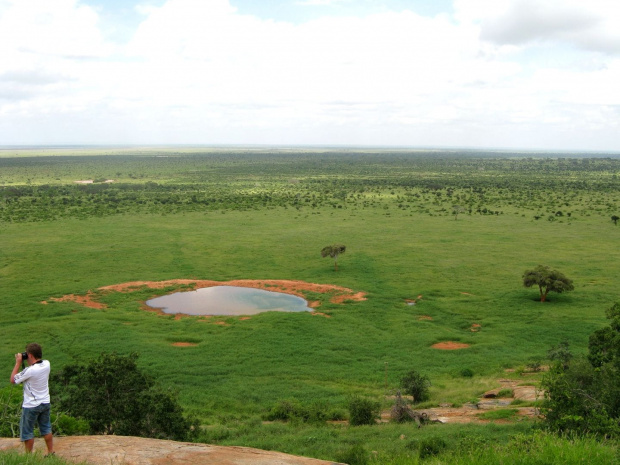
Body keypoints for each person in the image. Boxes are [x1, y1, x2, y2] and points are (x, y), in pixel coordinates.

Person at [10, 343, 54, 456]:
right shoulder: (47, 364)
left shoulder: (30, 370)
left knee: (28, 432)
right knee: (46, 428)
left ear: (29, 355)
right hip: (45, 402)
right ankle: (50, 451)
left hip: (31, 406)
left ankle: (28, 458)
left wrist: (18, 362)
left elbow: (13, 380)